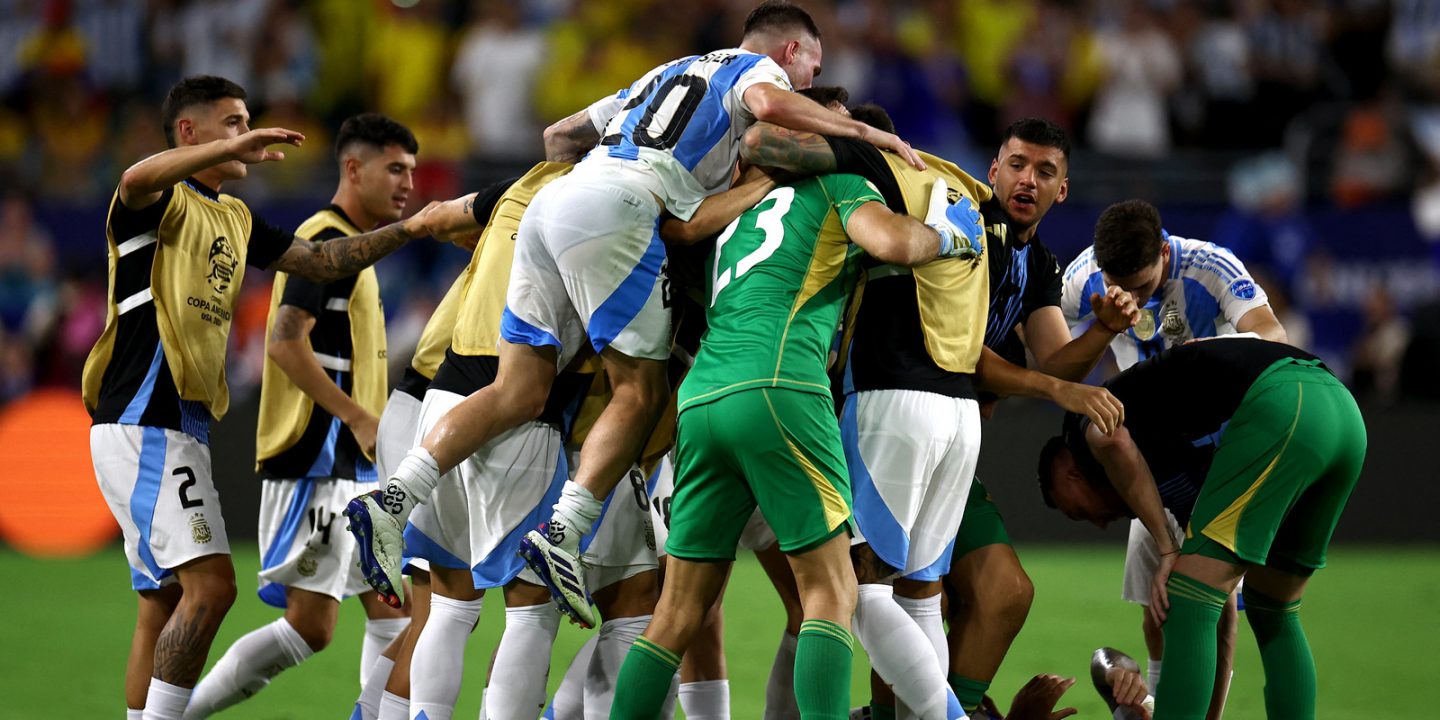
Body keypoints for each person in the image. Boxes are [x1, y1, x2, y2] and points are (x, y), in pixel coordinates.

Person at [347, 0, 925, 630]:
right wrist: (867, 134)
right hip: (620, 208)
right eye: (811, 68)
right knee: (641, 389)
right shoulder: (760, 72)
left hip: (557, 201)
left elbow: (558, 138)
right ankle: (564, 532)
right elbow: (764, 111)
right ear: (790, 53)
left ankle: (394, 498)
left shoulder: (662, 73)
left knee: (518, 387)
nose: (810, 85)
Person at [739, 110, 1126, 720]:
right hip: (926, 416)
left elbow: (1047, 362)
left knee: (859, 589)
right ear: (992, 169)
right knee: (906, 592)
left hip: (901, 410)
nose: (1027, 180)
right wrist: (1057, 389)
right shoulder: (968, 211)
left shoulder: (1015, 248)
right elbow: (989, 360)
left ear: (1062, 188)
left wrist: (1098, 335)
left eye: (1044, 171)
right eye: (1017, 165)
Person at [83, 75, 439, 720]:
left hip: (180, 421)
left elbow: (323, 263)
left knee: (162, 603)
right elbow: (135, 178)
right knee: (213, 587)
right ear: (188, 133)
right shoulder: (154, 199)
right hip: (143, 414)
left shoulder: (237, 217)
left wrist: (412, 232)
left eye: (248, 122)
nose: (247, 135)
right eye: (234, 123)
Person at [607, 166, 986, 720]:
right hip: (780, 387)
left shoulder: (735, 212)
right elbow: (897, 243)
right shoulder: (840, 185)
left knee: (676, 612)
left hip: (702, 398)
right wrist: (950, 236)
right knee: (832, 593)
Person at [183, 113, 418, 717]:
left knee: (397, 608)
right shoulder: (322, 242)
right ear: (352, 168)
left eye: (412, 172)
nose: (407, 184)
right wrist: (359, 417)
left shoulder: (354, 249)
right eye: (395, 168)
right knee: (312, 626)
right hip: (317, 458)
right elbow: (287, 344)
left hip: (350, 464)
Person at [1038, 338, 1366, 720]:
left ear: (1071, 472)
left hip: (1283, 403)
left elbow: (1111, 438)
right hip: (1342, 413)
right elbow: (1222, 604)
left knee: (1187, 597)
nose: (1097, 522)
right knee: (1273, 609)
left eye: (1078, 511)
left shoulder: (1081, 427)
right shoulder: (1182, 485)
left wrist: (1166, 549)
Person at [1061, 199, 1289, 717]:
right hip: (1148, 456)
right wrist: (1098, 333)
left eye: (1141, 288)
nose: (1132, 300)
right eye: (1120, 287)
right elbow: (1049, 351)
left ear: (1164, 252)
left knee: (1211, 600)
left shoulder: (1211, 266)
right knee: (1156, 610)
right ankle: (1167, 709)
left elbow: (1275, 335)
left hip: (1219, 454)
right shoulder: (1082, 278)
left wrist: (1209, 353)